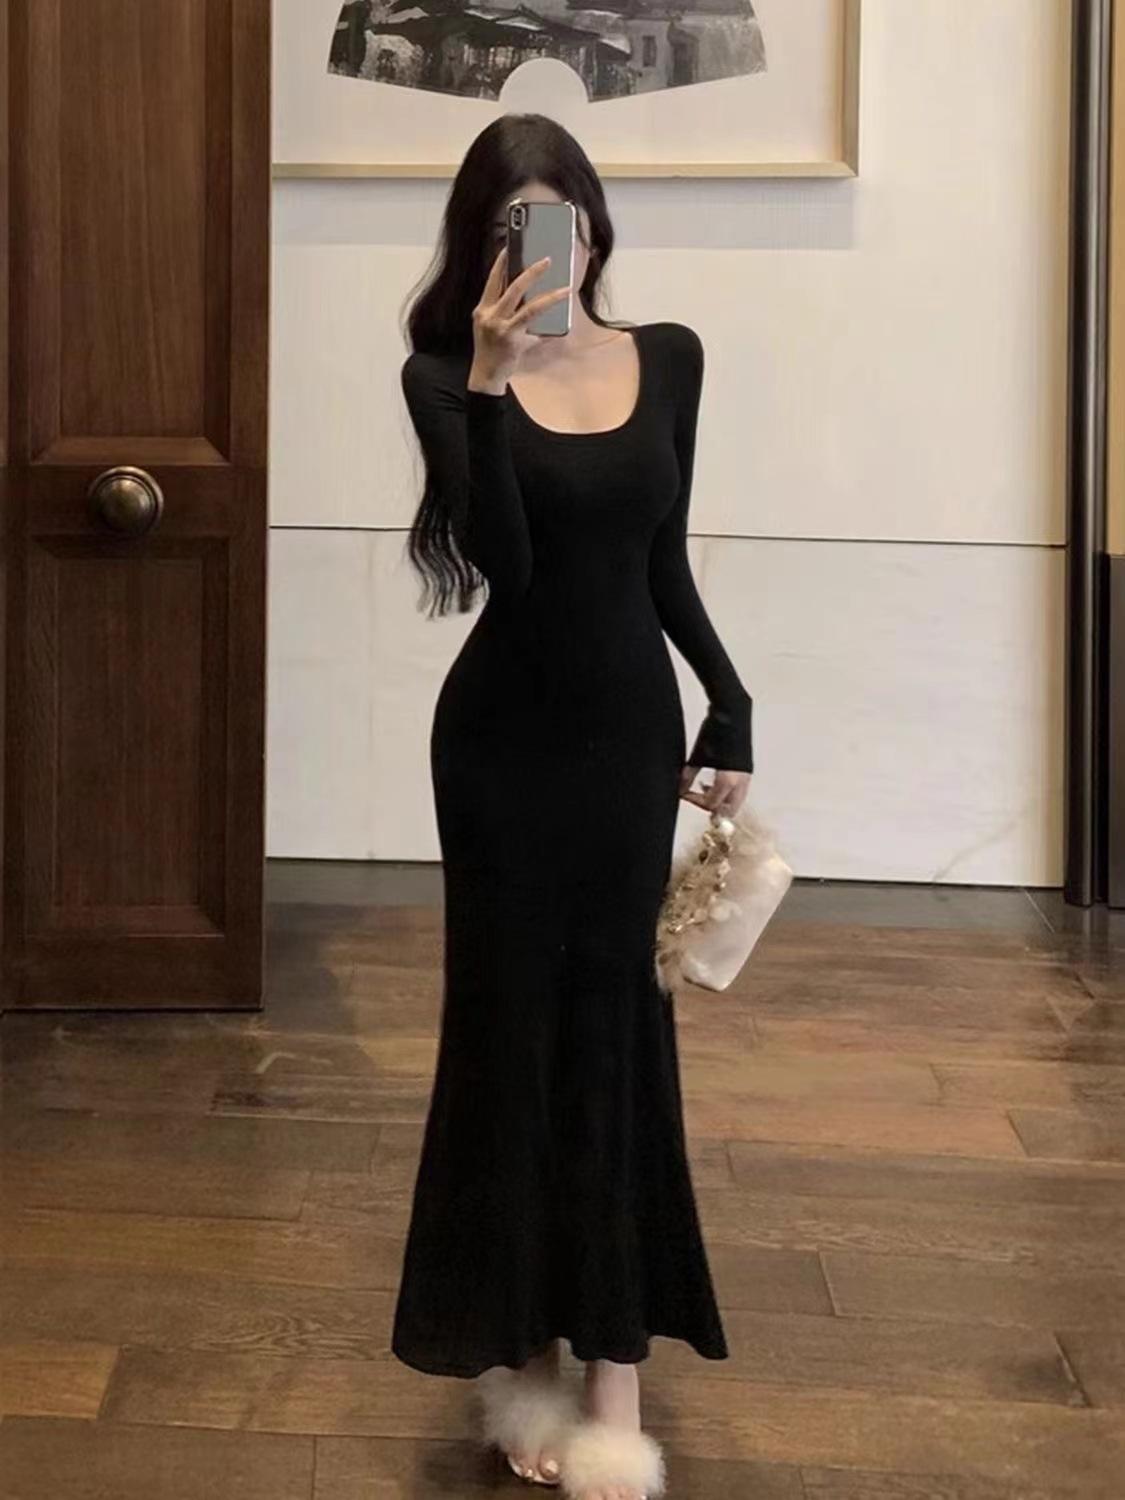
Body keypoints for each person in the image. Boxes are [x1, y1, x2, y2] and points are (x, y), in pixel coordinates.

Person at [392, 111, 754, 1500]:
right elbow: (511, 565)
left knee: (615, 1030)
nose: (547, 242)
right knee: (507, 1032)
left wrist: (729, 697)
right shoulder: (441, 374)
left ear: (595, 222)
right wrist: (490, 384)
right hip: (497, 749)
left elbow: (662, 556)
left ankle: (613, 1383)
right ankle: (521, 1365)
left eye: (561, 214)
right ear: (480, 244)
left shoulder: (672, 357)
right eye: (512, 223)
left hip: (624, 743)